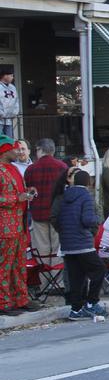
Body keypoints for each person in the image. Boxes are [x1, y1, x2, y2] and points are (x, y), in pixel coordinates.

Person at [0, 134, 41, 315]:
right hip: (4, 227)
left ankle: (20, 298)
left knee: (19, 264)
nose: (18, 151)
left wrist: (28, 192)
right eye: (14, 148)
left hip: (20, 225)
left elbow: (20, 192)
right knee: (4, 265)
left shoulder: (14, 169)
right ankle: (3, 302)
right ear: (4, 150)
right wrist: (18, 198)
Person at [56, 170, 104, 321]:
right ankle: (92, 302)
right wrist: (97, 219)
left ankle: (75, 309)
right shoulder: (85, 196)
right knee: (99, 269)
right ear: (88, 183)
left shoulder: (64, 196)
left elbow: (58, 218)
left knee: (76, 277)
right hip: (82, 242)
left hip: (67, 243)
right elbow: (87, 220)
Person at [24, 138, 67, 291]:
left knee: (41, 249)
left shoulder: (31, 169)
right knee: (57, 248)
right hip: (57, 214)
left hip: (38, 213)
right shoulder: (62, 167)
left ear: (39, 150)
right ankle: (57, 281)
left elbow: (28, 189)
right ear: (52, 150)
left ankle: (44, 283)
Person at [0, 68, 17, 138]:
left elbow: (16, 101)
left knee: (8, 140)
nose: (12, 78)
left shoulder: (12, 87)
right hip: (0, 119)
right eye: (11, 75)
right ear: (5, 76)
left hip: (9, 120)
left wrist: (15, 112)